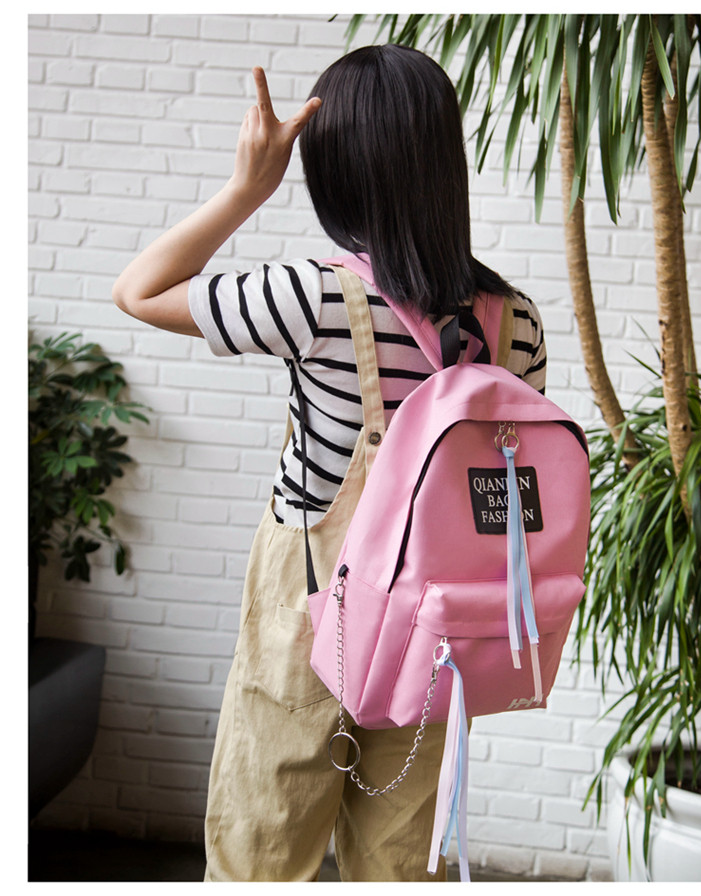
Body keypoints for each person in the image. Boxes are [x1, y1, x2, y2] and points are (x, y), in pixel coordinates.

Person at [113, 44, 546, 883]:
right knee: (398, 865)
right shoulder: (515, 322)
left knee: (262, 855)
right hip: (438, 625)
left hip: (312, 611)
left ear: (338, 170)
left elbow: (139, 290)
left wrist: (248, 188)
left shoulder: (310, 297)